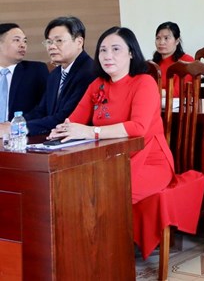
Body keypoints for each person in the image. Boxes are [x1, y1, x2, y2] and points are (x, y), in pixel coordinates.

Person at [49, 27, 177, 201]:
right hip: (109, 161)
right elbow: (73, 121)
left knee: (105, 196)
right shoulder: (97, 84)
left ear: (131, 53)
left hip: (148, 160)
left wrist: (91, 132)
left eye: (116, 49)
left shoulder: (144, 82)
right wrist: (60, 132)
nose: (107, 56)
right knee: (73, 189)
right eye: (103, 50)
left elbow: (138, 128)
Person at [16, 17, 96, 136]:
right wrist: (15, 124)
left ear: (79, 42)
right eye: (49, 42)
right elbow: (41, 111)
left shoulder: (90, 72)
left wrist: (19, 129)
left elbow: (65, 118)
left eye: (59, 41)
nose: (52, 47)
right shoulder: (55, 74)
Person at [0, 23, 48, 123]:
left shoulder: (36, 70)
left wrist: (15, 125)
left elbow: (44, 107)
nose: (23, 45)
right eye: (16, 40)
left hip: (20, 130)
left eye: (25, 41)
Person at [151, 21, 194, 97]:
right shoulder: (153, 64)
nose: (161, 42)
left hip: (179, 104)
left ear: (177, 41)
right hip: (156, 102)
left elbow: (177, 92)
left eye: (166, 38)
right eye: (158, 38)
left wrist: (150, 92)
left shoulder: (187, 61)